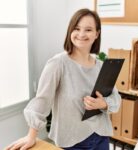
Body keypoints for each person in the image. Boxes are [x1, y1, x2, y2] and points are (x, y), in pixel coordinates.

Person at [6, 8, 121, 150]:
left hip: (101, 138)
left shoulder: (101, 66)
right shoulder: (58, 64)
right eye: (76, 28)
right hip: (72, 141)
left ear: (97, 34)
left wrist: (103, 104)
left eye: (88, 30)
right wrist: (31, 136)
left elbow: (116, 99)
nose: (81, 34)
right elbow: (42, 100)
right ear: (70, 31)